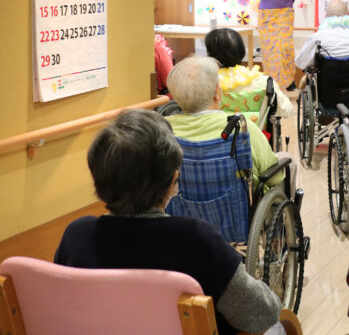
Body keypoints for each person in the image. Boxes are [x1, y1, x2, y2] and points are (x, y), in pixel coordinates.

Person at [54, 110, 282, 335]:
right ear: (173, 179)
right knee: (280, 327)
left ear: (98, 178)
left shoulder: (77, 236)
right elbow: (262, 313)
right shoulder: (196, 240)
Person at [165, 56, 287, 190]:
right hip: (240, 202)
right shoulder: (243, 128)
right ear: (217, 92)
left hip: (181, 201)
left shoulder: (163, 130)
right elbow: (275, 178)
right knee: (287, 160)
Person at [205, 27, 293, 119]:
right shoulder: (264, 82)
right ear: (242, 53)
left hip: (213, 128)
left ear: (210, 56)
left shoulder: (204, 84)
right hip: (255, 127)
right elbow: (285, 111)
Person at [295, 0, 349, 69]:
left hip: (327, 77)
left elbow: (300, 62)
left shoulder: (317, 37)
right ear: (348, 14)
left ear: (326, 16)